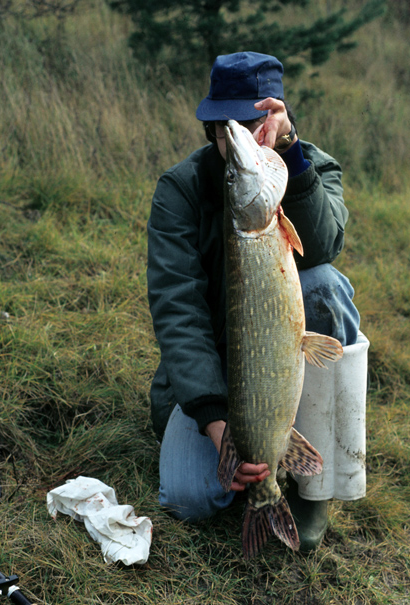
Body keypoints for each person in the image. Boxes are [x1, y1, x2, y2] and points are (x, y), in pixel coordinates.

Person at [147, 51, 362, 551]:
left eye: (255, 121)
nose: (240, 135)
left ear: (279, 117)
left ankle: (313, 489)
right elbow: (179, 312)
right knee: (188, 498)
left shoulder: (310, 167)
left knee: (326, 284)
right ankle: (257, 480)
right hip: (218, 365)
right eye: (227, 127)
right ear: (212, 130)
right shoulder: (179, 190)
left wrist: (290, 155)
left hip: (283, 350)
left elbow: (325, 244)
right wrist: (220, 429)